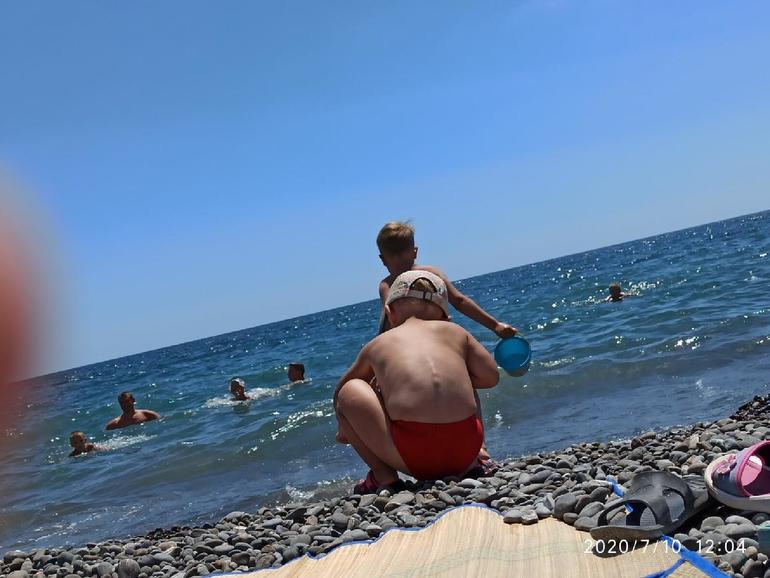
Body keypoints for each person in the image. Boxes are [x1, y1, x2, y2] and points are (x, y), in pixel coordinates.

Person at [334, 270, 500, 493]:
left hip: (418, 460)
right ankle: (480, 456)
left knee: (350, 391)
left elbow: (341, 393)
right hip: (465, 450)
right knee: (468, 379)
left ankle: (383, 477)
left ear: (389, 313)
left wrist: (345, 427)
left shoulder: (377, 344)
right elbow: (490, 377)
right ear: (444, 317)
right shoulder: (456, 331)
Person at [375, 221, 518, 337]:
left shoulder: (387, 285)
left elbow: (389, 322)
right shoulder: (431, 274)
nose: (399, 259)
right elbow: (460, 301)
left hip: (406, 343)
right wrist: (495, 326)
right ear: (414, 252)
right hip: (439, 337)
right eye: (395, 255)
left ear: (383, 259)